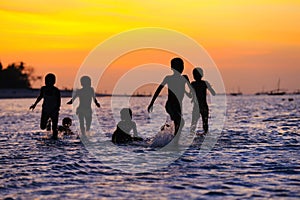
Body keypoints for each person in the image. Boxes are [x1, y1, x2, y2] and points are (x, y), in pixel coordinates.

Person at [147, 57, 192, 136]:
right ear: (172, 68)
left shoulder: (184, 77)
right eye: (178, 66)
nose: (181, 68)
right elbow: (158, 90)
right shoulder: (169, 78)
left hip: (178, 106)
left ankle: (168, 133)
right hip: (170, 105)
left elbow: (192, 90)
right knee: (180, 121)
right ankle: (173, 138)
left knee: (177, 123)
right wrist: (151, 103)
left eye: (182, 66)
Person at [29, 73, 61, 139]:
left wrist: (57, 109)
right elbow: (40, 97)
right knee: (42, 127)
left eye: (50, 81)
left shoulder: (56, 90)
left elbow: (59, 101)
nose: (48, 82)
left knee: (54, 128)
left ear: (53, 82)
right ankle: (48, 123)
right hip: (45, 110)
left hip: (54, 111)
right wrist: (34, 104)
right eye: (47, 81)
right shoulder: (43, 89)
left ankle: (55, 138)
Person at [190, 67, 216, 133]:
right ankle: (205, 134)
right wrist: (209, 87)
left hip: (197, 107)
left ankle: (192, 135)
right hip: (203, 106)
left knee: (194, 124)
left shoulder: (193, 84)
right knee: (204, 123)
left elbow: (190, 95)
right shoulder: (204, 83)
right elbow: (213, 93)